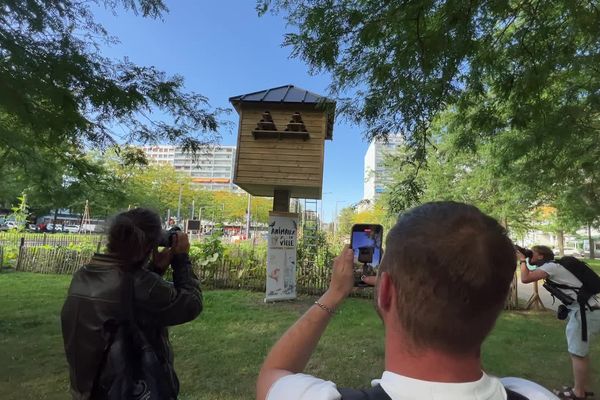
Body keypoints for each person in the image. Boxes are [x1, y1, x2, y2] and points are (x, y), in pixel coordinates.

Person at [257, 201, 557, 400]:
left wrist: (334, 294)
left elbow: (273, 374)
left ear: (385, 291)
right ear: (502, 298)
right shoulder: (534, 395)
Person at [61, 208, 202, 399]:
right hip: (132, 388)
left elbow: (127, 304)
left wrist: (154, 270)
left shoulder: (85, 274)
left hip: (91, 387)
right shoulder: (139, 284)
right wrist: (181, 259)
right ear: (146, 247)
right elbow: (190, 304)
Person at [519, 245, 600, 400]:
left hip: (584, 313)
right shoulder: (554, 266)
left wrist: (522, 260)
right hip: (587, 310)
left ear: (541, 256)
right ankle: (580, 388)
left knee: (577, 353)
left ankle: (578, 393)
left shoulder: (552, 267)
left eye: (532, 254)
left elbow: (525, 278)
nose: (530, 256)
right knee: (579, 353)